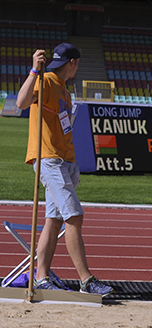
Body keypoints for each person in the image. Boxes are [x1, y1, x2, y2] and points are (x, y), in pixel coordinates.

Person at [16, 42, 113, 295]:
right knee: (74, 216)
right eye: (77, 64)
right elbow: (22, 102)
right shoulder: (46, 80)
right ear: (73, 63)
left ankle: (41, 277)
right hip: (49, 159)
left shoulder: (65, 91)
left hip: (65, 161)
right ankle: (86, 281)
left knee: (53, 221)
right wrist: (34, 71)